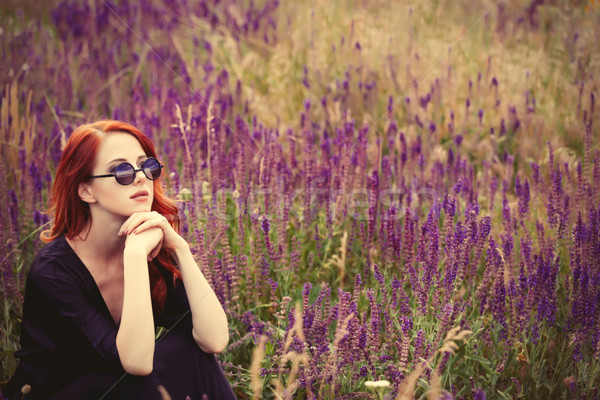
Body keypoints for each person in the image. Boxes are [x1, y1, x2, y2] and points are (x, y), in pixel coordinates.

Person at [1, 120, 236, 400]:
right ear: (86, 190)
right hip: (59, 392)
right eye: (121, 170)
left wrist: (180, 250)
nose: (140, 178)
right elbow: (137, 363)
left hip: (123, 385)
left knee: (192, 352)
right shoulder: (54, 271)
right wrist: (135, 257)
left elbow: (214, 340)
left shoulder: (150, 242)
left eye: (146, 166)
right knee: (139, 377)